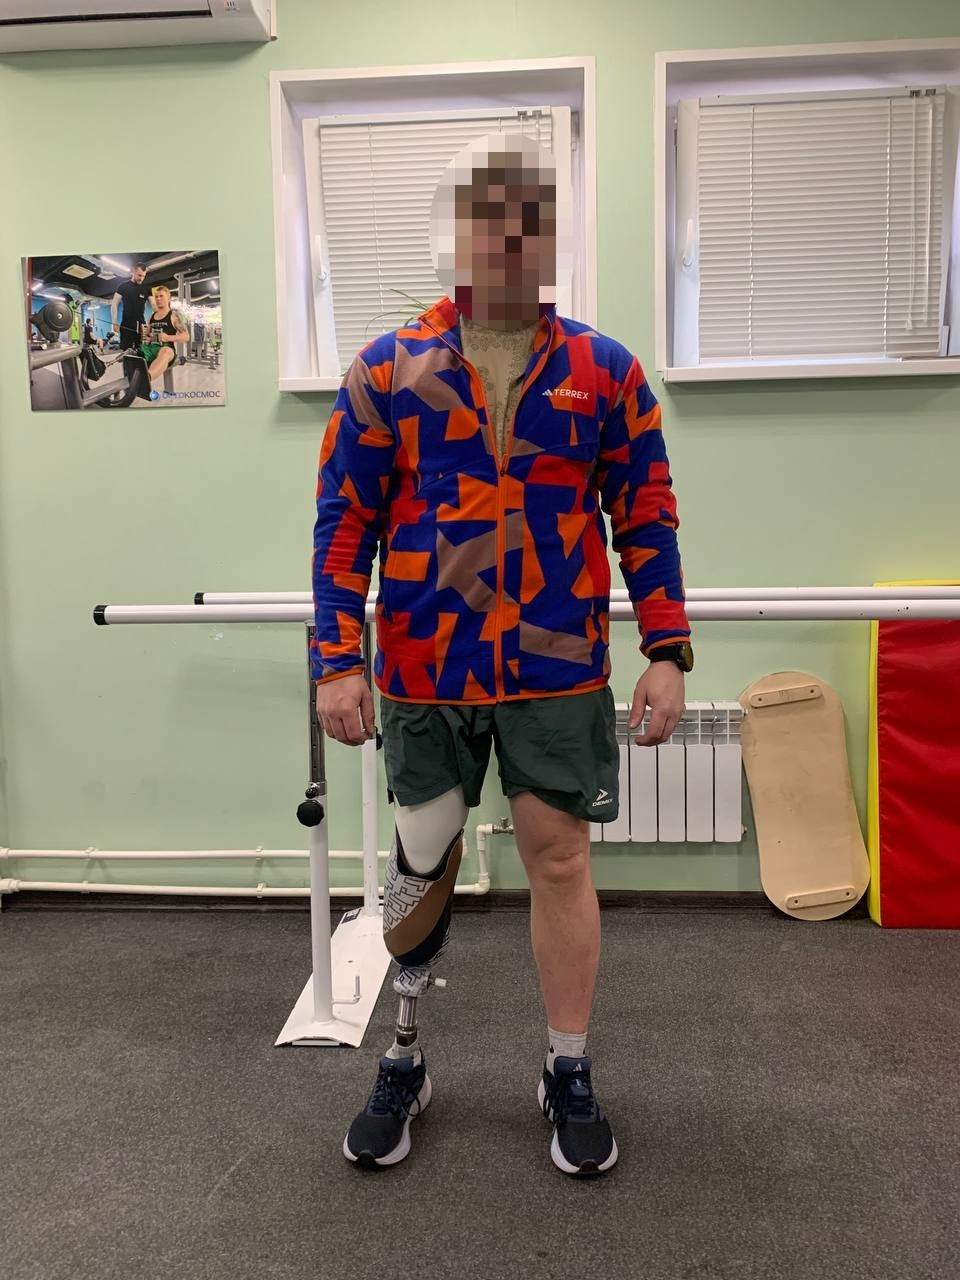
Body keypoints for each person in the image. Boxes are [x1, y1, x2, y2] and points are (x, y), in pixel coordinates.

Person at [311, 134, 692, 1177]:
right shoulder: (389, 369)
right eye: (489, 225)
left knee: (560, 859)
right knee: (420, 862)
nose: (509, 245)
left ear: (552, 241)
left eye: (530, 226)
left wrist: (667, 646)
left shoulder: (604, 371)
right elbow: (344, 524)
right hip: (426, 666)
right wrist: (336, 658)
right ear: (458, 238)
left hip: (556, 668)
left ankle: (567, 1066)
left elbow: (646, 515)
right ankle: (403, 1056)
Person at [139, 285, 188, 384]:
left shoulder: (174, 315)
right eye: (156, 297)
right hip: (150, 349)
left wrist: (168, 337)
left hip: (166, 350)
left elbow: (186, 336)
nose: (158, 299)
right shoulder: (151, 317)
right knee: (132, 351)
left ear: (168, 298)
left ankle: (146, 380)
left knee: (166, 351)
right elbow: (147, 336)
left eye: (161, 296)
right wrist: (146, 336)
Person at [110, 263, 150, 352]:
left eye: (143, 276)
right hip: (126, 325)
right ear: (133, 271)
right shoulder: (123, 286)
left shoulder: (146, 288)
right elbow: (114, 304)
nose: (141, 278)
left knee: (141, 352)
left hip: (141, 326)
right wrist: (114, 322)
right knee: (126, 352)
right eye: (139, 275)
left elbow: (155, 305)